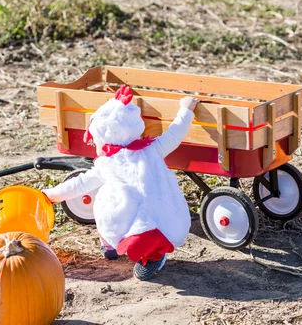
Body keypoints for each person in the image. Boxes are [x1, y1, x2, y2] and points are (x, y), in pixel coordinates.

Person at [43, 85, 198, 281]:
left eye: (96, 140)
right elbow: (175, 134)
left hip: (125, 215)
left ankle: (125, 247)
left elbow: (80, 184)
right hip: (162, 213)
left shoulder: (107, 163)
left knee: (104, 207)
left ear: (105, 138)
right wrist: (186, 110)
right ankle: (140, 251)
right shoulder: (153, 148)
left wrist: (51, 195)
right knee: (141, 216)